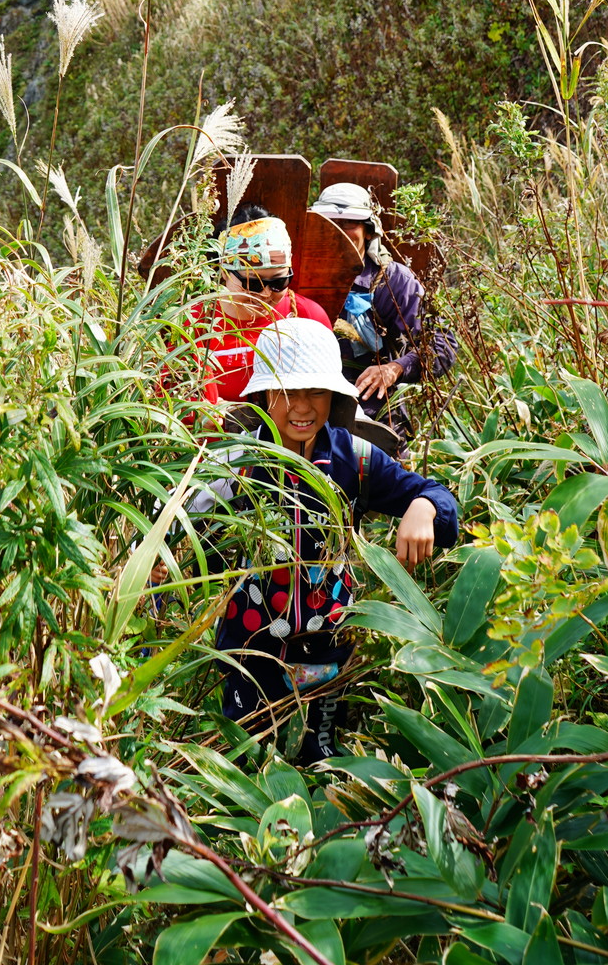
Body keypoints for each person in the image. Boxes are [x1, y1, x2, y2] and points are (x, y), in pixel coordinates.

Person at [193, 316, 459, 765]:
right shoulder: (233, 464)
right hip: (248, 654)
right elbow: (178, 523)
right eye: (286, 392)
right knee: (244, 765)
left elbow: (436, 497)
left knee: (320, 763)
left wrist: (424, 508)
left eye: (315, 391)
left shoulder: (352, 459)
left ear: (334, 395)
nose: (302, 406)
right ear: (261, 395)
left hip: (327, 650)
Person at [311, 181, 455, 444]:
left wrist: (394, 369)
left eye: (349, 224)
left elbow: (441, 344)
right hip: (304, 413)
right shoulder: (295, 275)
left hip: (372, 417)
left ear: (368, 232)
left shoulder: (392, 280)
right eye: (330, 224)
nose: (339, 233)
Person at [174, 204, 333, 407]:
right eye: (253, 283)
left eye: (278, 282)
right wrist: (197, 412)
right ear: (224, 272)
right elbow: (168, 394)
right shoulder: (193, 322)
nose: (265, 294)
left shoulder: (306, 315)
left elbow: (330, 389)